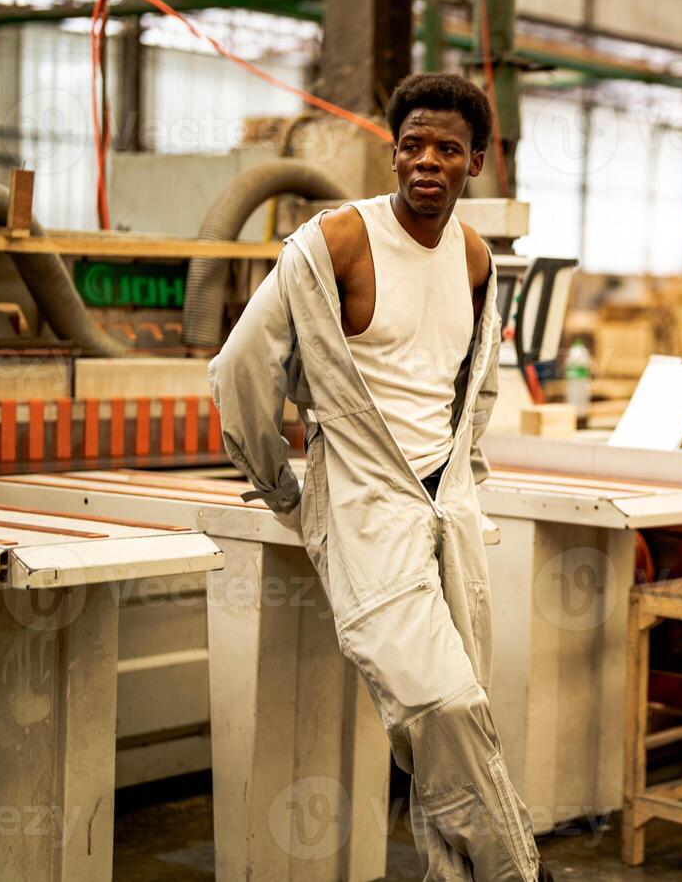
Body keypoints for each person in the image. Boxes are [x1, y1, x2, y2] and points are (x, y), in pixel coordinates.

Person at [210, 73, 548, 881]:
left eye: (448, 150)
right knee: (443, 705)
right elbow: (240, 370)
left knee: (452, 721)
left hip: (448, 511)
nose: (427, 162)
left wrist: (468, 473)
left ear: (473, 166)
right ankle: (517, 870)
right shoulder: (334, 245)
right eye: (413, 146)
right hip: (365, 503)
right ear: (393, 153)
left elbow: (478, 380)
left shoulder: (474, 258)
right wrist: (282, 486)